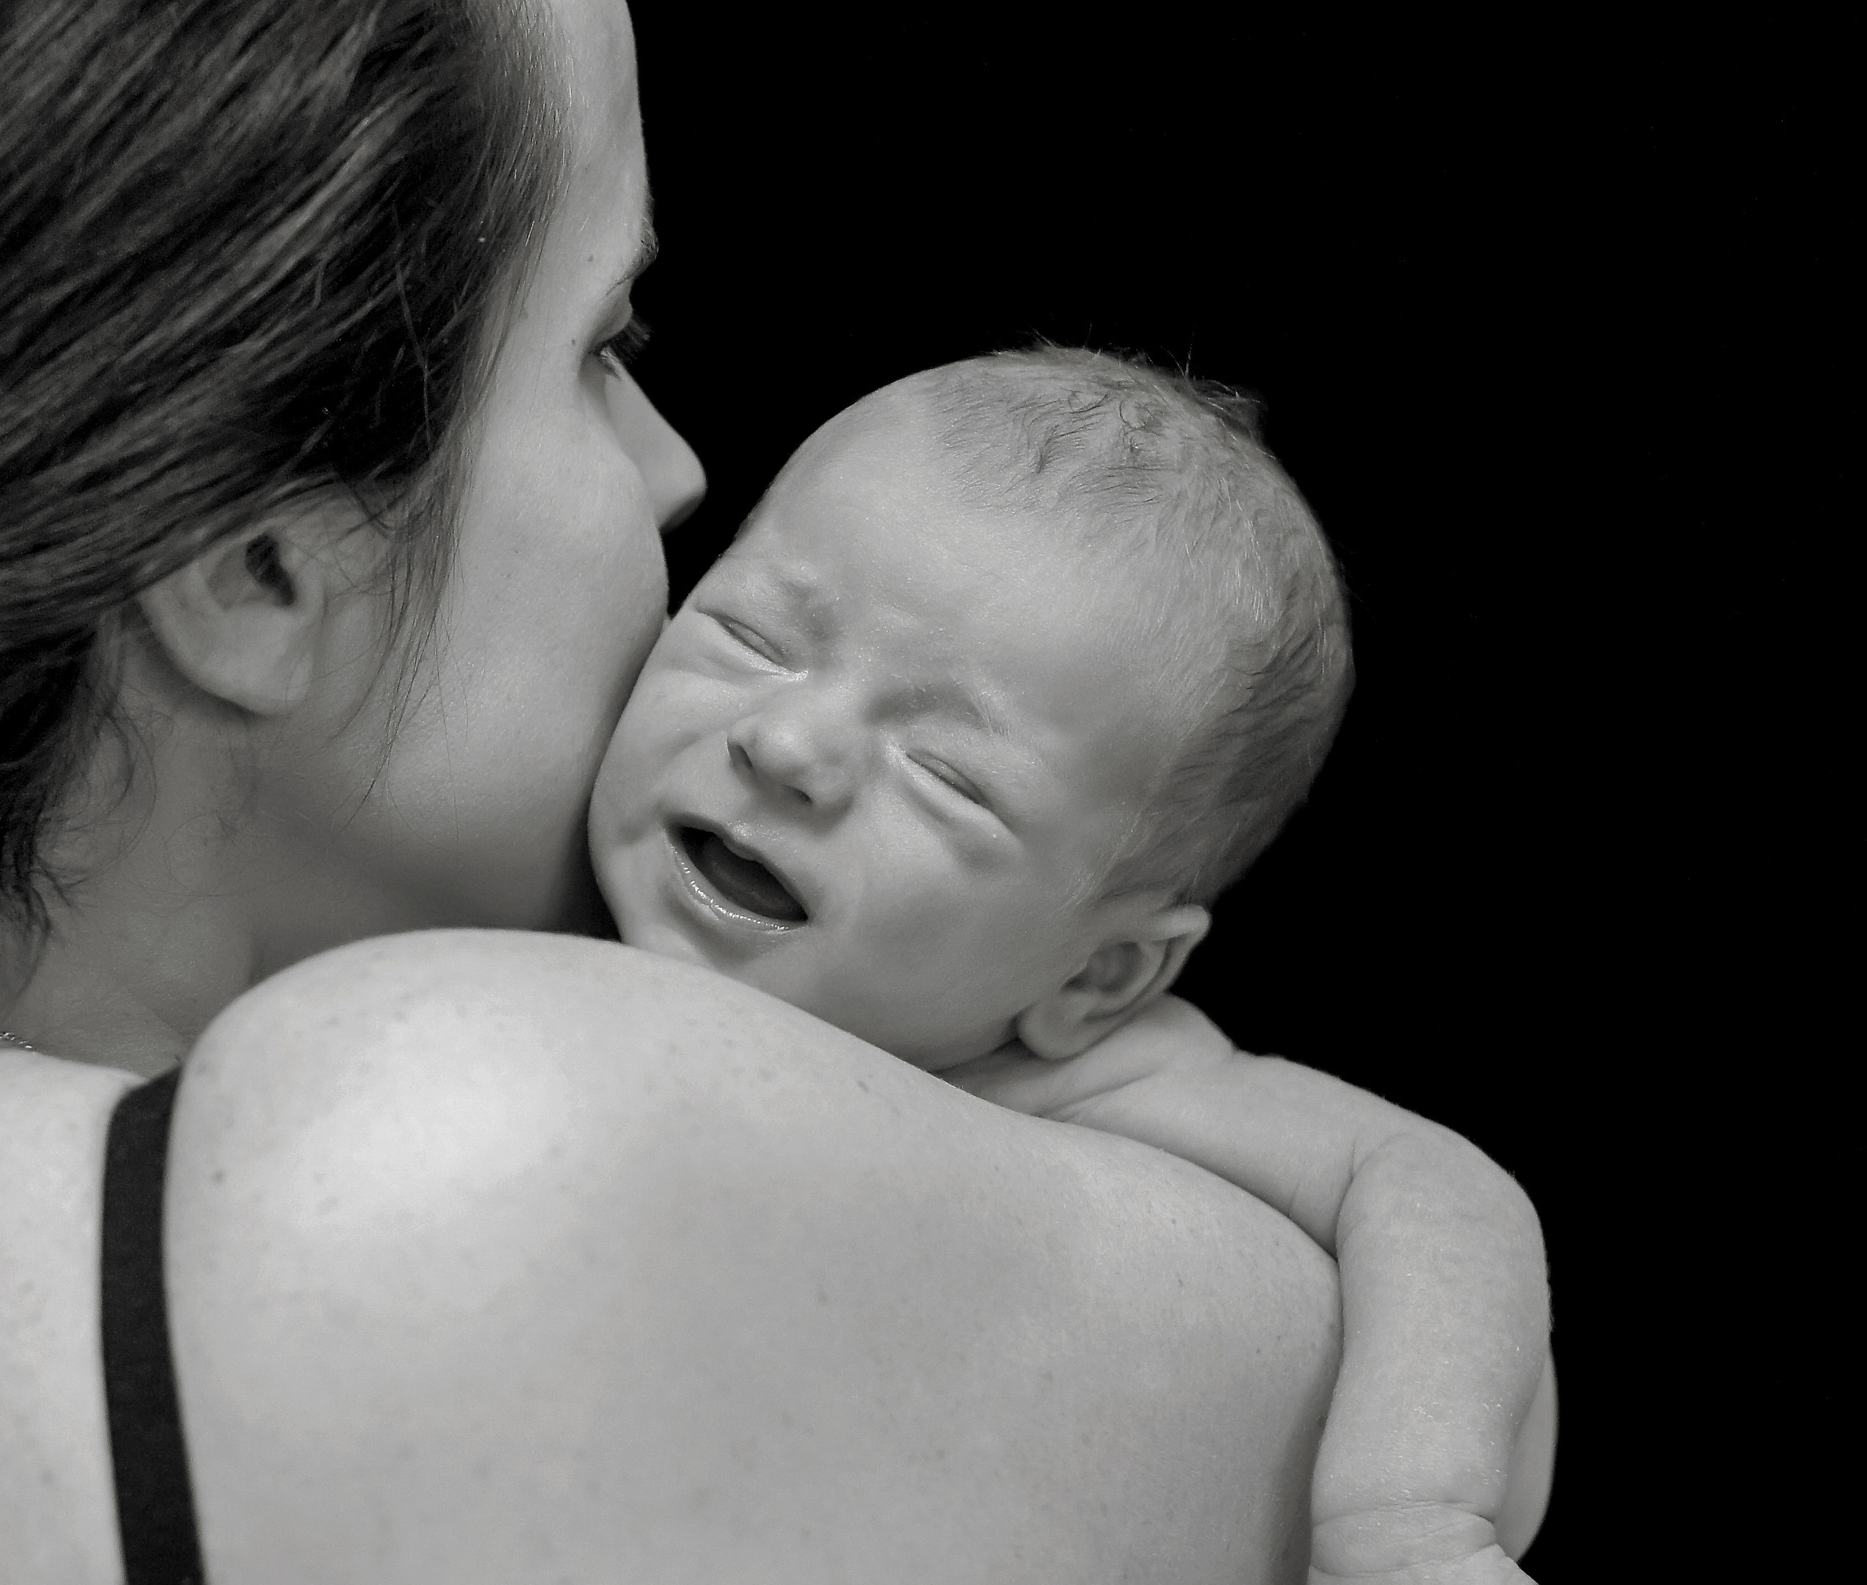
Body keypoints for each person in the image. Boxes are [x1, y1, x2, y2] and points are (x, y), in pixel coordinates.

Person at [0, 0, 1399, 1579]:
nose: (678, 469)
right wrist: (1340, 1162)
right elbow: (1353, 1377)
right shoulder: (448, 1157)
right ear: (258, 575)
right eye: (605, 347)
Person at [591, 347, 1554, 1574]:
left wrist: (1407, 1513)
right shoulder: (534, 916)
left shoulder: (1090, 1079)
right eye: (749, 636)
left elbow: (1434, 1186)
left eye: (946, 776)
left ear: (1095, 978)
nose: (785, 744)